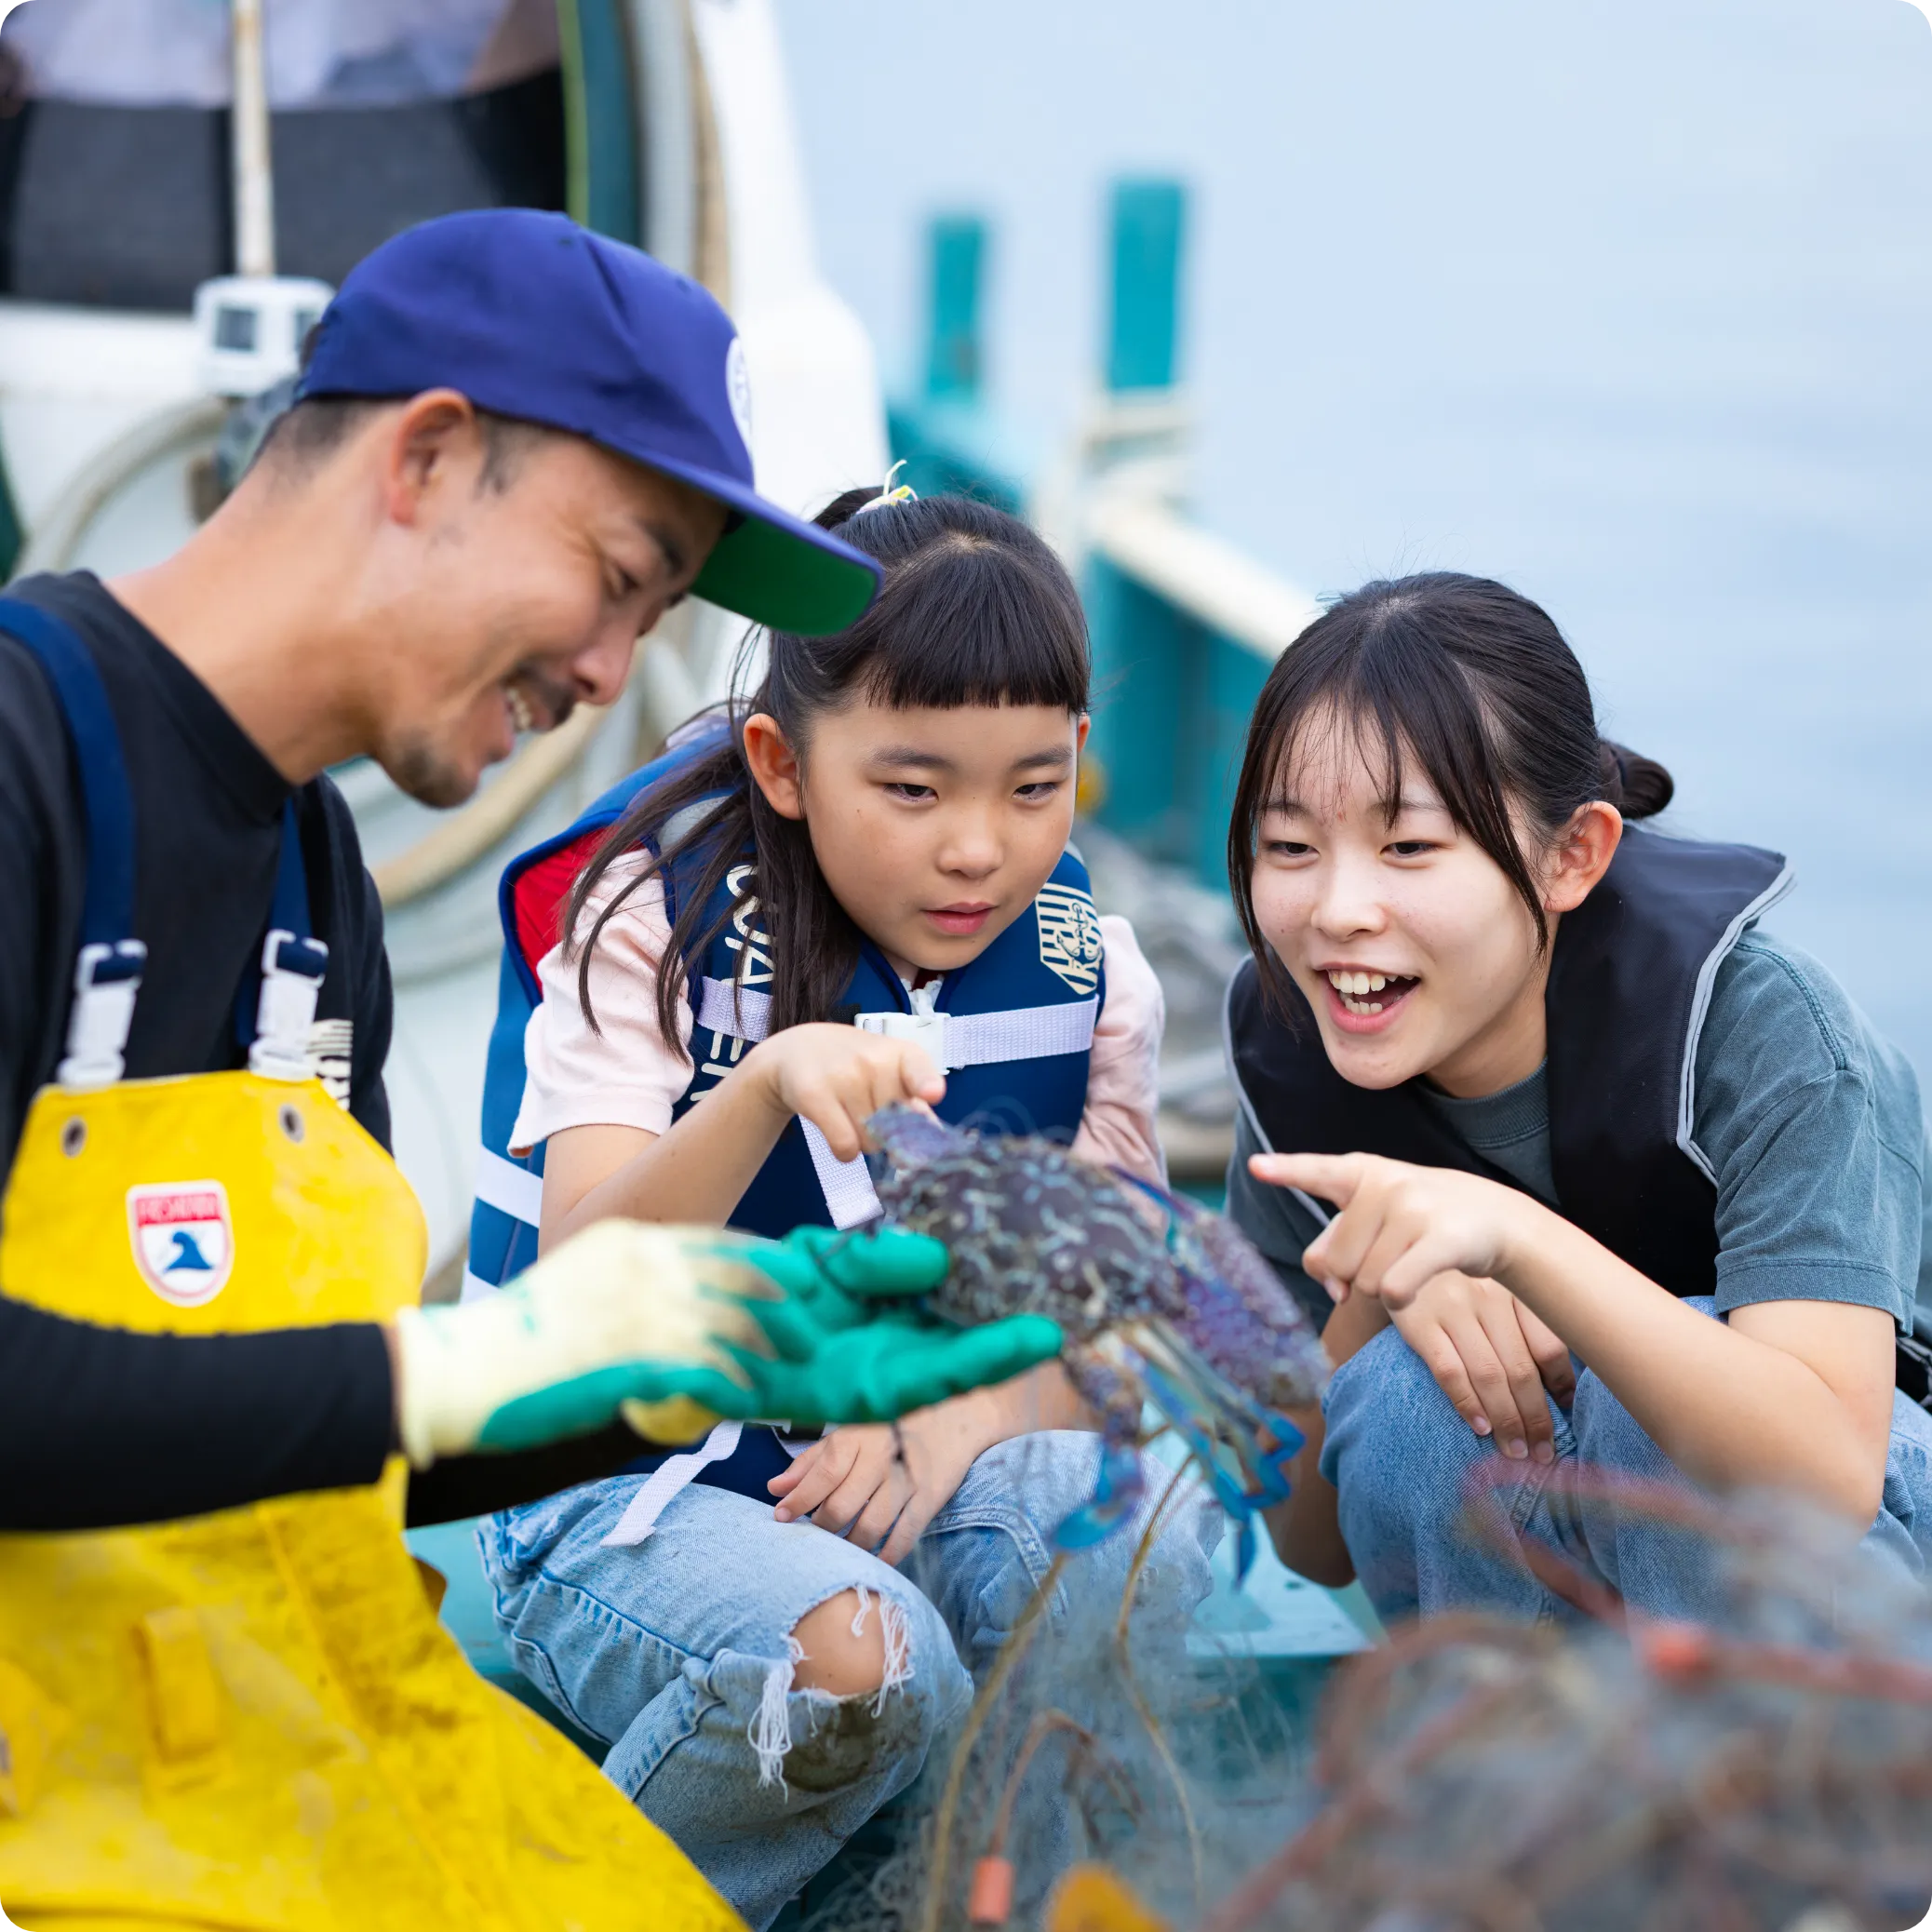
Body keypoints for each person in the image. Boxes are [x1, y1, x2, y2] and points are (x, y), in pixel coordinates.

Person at [0, 209, 1064, 1930]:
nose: (605, 674)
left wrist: (627, 1380)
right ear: (426, 456)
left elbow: (289, 1437)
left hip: (239, 1767)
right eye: (621, 576)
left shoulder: (310, 885)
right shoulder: (21, 766)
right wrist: (455, 1368)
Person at [471, 487, 1214, 1928]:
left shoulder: (1092, 971)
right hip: (617, 1486)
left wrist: (960, 1412)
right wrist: (759, 1090)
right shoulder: (650, 922)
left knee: (1136, 1547)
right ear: (784, 762)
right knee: (868, 1661)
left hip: (891, 1478)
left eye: (1035, 787)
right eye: (914, 789)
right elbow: (579, 1291)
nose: (979, 848)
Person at [1219, 571, 1932, 1627]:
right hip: (1558, 1617)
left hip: (1858, 1556)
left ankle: (1778, 1742)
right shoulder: (1296, 1040)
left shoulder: (1762, 1030)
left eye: (1409, 847)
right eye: (1290, 848)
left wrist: (1515, 1243)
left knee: (1645, 1403)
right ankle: (1514, 1735)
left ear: (1573, 856)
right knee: (1410, 1391)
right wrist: (1387, 1285)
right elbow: (1305, 1542)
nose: (1338, 911)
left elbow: (1826, 1483)